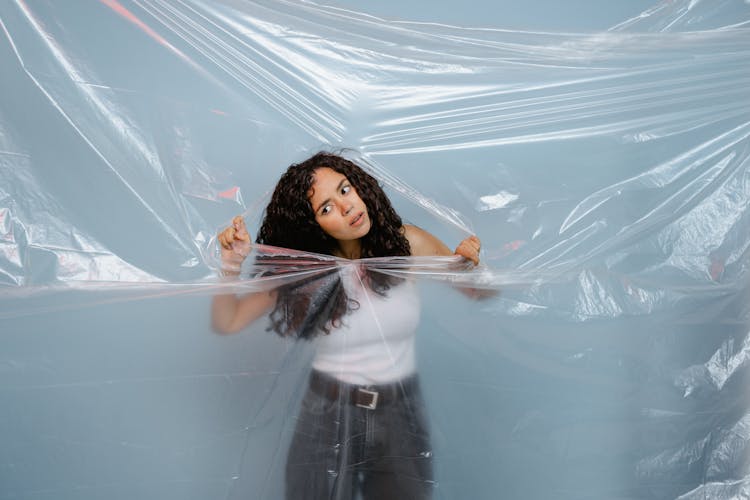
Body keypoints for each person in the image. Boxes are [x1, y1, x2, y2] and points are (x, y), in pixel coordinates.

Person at [212, 152, 481, 500]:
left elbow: (472, 290)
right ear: (311, 226)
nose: (346, 207)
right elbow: (228, 322)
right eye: (326, 208)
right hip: (325, 412)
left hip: (399, 411)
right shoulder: (305, 271)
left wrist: (469, 262)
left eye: (345, 189)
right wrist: (230, 267)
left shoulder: (408, 244)